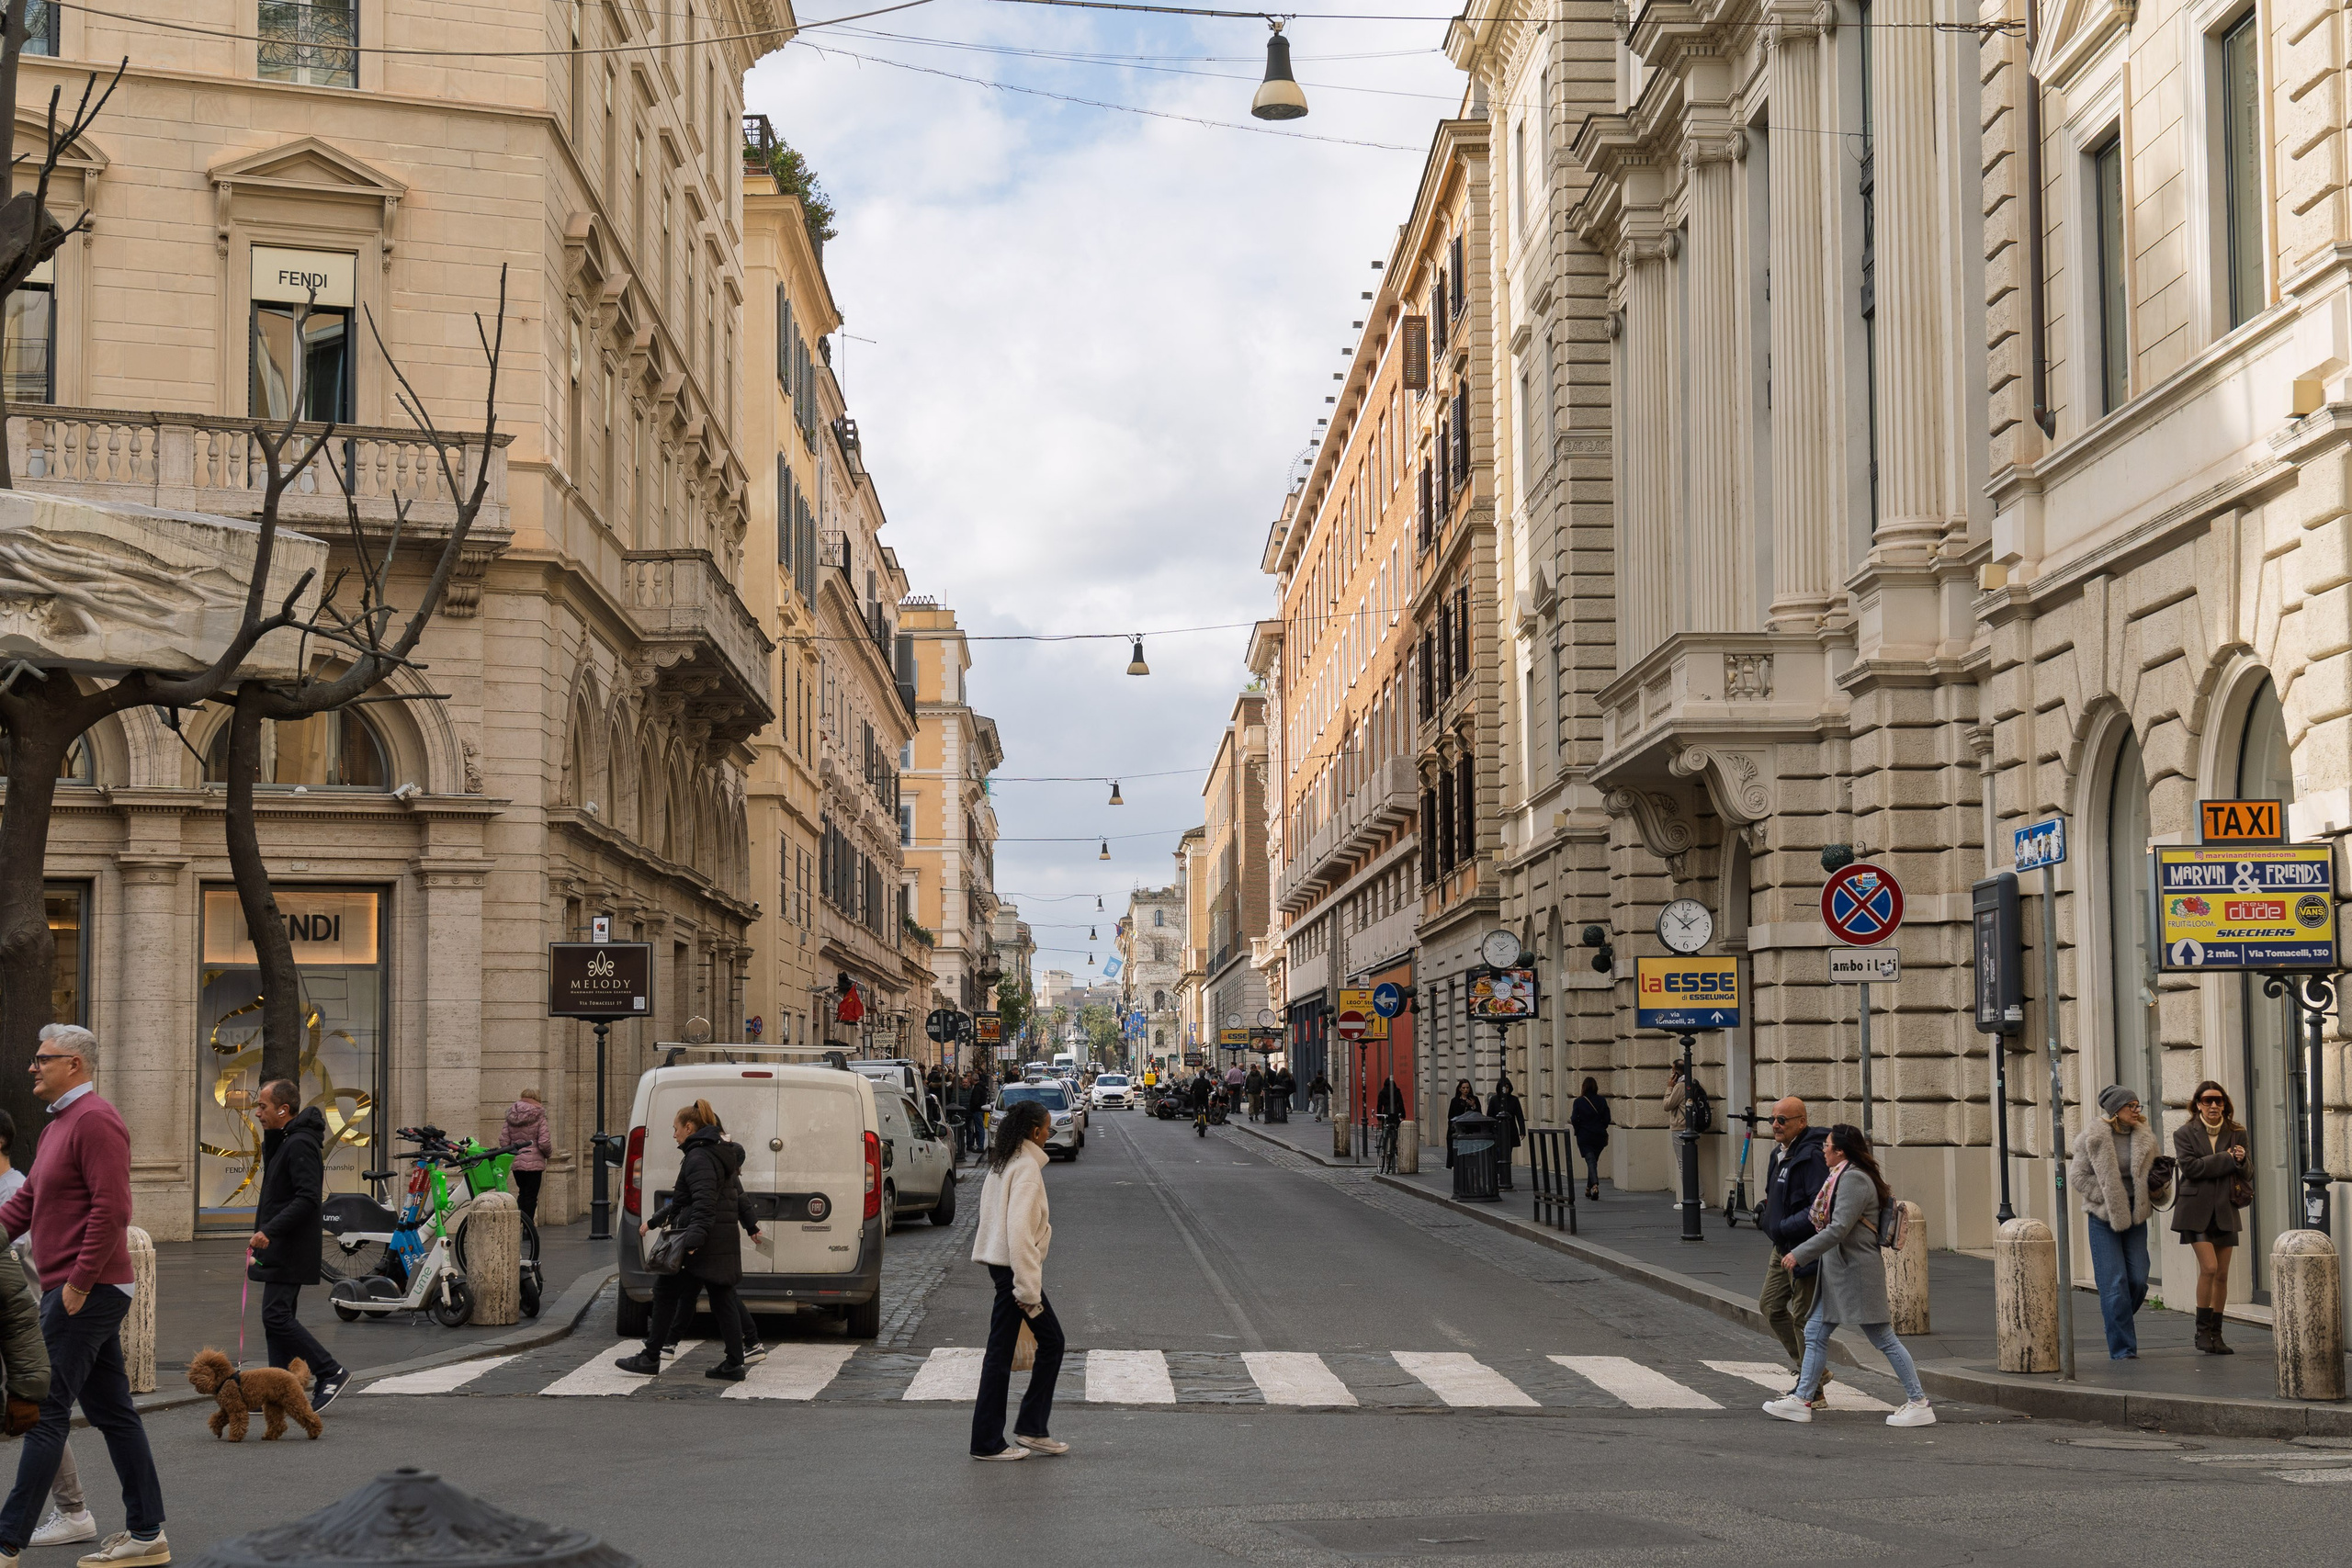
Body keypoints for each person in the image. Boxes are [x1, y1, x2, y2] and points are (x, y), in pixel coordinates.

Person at [0, 1024, 169, 1566]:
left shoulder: (96, 1120)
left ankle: (7, 1541)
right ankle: (147, 1535)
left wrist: (77, 1283)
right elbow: (24, 1204)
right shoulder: (57, 1126)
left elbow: (113, 1210)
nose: (33, 1067)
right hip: (78, 1286)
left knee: (46, 1411)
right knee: (114, 1412)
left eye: (42, 1059)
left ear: (74, 1064)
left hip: (86, 1287)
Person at [1764, 1123, 1933, 1427]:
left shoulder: (1853, 1179)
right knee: (1814, 1333)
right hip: (1840, 1271)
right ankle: (1802, 1399)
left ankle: (1919, 1401)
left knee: (1883, 1338)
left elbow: (1839, 1228)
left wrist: (1800, 1253)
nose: (1823, 1150)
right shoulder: (1841, 1176)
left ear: (1840, 1151)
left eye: (1827, 1146)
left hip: (1855, 1271)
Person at [615, 1100, 752, 1382]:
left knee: (665, 1293)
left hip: (701, 1241)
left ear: (689, 1127)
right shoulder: (715, 1153)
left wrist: (693, 1240)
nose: (673, 1134)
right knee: (722, 1298)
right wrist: (655, 1220)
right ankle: (734, 1363)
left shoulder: (699, 1157)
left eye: (675, 1128)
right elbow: (684, 1201)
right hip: (717, 1238)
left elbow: (702, 1204)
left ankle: (651, 1356)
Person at [968, 1101, 1066, 1461]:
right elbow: (1019, 1233)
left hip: (1003, 1267)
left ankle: (1026, 1429)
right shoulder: (1025, 1169)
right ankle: (998, 1438)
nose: (1048, 1134)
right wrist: (1027, 1290)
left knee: (1004, 1351)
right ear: (1035, 1132)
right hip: (1014, 1272)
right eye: (1047, 1128)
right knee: (1050, 1342)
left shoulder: (1004, 1163)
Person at [246, 1080, 350, 1414]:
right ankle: (277, 1391)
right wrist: (274, 1136)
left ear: (283, 1109)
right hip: (279, 1245)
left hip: (289, 1245)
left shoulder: (301, 1143)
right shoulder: (288, 1140)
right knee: (276, 1318)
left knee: (276, 1316)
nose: (257, 1112)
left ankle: (329, 1370)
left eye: (262, 1106)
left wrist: (269, 1231)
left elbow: (307, 1198)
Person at [2074, 1085, 2167, 1360]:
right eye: (2132, 1106)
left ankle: (2115, 1318)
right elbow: (2078, 1177)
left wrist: (2159, 1188)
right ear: (2116, 1110)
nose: (2137, 1112)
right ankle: (2123, 1350)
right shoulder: (2092, 1137)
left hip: (2136, 1217)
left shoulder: (2145, 1138)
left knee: (2138, 1280)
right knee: (2114, 1284)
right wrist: (2107, 1196)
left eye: (2138, 1106)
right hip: (2104, 1218)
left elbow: (2155, 1173)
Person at [1757, 1097, 1830, 1388]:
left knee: (1802, 1317)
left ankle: (1810, 1385)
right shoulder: (1780, 1153)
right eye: (1773, 1119)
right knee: (1771, 1306)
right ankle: (1813, 1372)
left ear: (1801, 1122)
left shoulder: (1810, 1156)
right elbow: (1772, 1192)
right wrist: (1765, 1214)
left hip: (1804, 1249)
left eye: (1782, 1120)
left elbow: (1819, 1208)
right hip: (1782, 1247)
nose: (1776, 1124)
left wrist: (1784, 1225)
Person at [2174, 1078, 2248, 1355]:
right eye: (2208, 1101)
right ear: (2198, 1105)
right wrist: (2227, 1160)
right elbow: (2191, 1168)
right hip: (2195, 1210)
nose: (2214, 1105)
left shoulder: (2236, 1132)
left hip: (2225, 1209)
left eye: (2219, 1101)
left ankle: (2217, 1335)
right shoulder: (2184, 1133)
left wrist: (2240, 1160)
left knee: (2223, 1275)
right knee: (2209, 1268)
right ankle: (2201, 1333)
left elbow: (2247, 1173)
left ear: (2225, 1105)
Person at [503, 1089, 553, 1224]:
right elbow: (544, 1142)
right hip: (534, 1163)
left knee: (522, 1193)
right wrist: (548, 1154)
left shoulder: (511, 1115)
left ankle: (519, 1223)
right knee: (531, 1196)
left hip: (517, 1162)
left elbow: (504, 1141)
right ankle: (528, 1227)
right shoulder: (539, 1116)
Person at [1568, 1077, 1611, 1200]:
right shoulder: (1602, 1100)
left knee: (1591, 1161)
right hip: (1599, 1136)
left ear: (1584, 1087)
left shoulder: (1579, 1102)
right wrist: (1601, 1127)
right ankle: (1588, 1188)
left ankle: (1595, 1186)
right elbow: (1607, 1118)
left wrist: (1579, 1130)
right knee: (1592, 1162)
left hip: (1585, 1136)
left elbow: (1574, 1118)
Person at [1487, 1077, 1526, 1192]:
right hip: (1497, 1131)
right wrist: (1490, 1130)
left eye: (1507, 1087)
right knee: (1498, 1153)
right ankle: (1499, 1173)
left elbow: (1519, 1115)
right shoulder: (1494, 1100)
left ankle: (1504, 1175)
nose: (1505, 1090)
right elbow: (1490, 1115)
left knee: (1508, 1154)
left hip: (1510, 1131)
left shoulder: (1514, 1100)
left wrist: (1522, 1131)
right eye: (1503, 1087)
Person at [1443, 1079, 1478, 1169]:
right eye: (1463, 1088)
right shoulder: (1455, 1101)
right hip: (1457, 1130)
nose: (1466, 1090)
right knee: (1456, 1150)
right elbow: (1450, 1116)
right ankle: (1455, 1165)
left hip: (1469, 1130)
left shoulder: (1474, 1099)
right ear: (1460, 1089)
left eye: (1467, 1088)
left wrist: (1473, 1106)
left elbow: (1479, 1114)